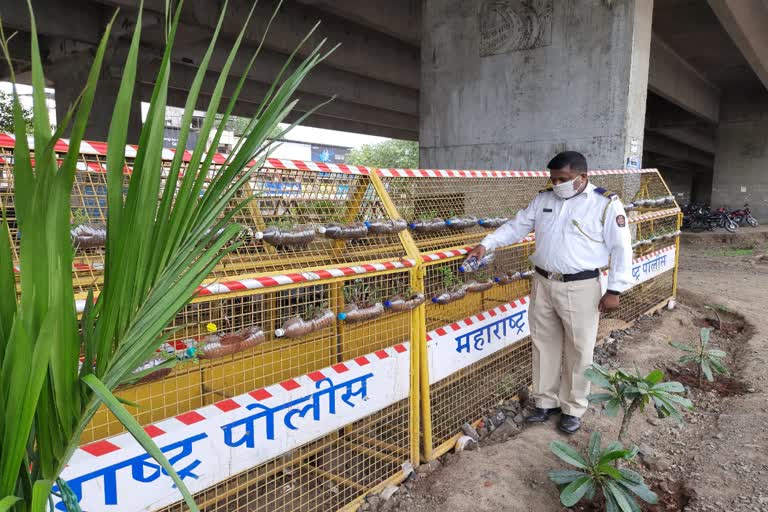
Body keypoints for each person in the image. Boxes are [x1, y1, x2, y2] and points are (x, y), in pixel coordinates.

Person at [466, 151, 632, 434]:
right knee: (544, 344)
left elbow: (621, 248)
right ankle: (545, 402)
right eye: (553, 179)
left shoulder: (605, 204)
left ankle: (573, 407)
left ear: (583, 177)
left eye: (563, 179)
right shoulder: (544, 199)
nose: (557, 184)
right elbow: (517, 226)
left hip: (581, 286)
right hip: (543, 283)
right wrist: (487, 244)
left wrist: (615, 289)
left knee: (579, 349)